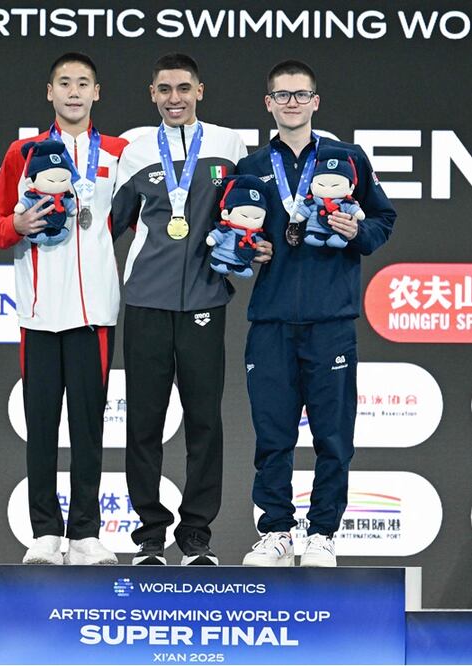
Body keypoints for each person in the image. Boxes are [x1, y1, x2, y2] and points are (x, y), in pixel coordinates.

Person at [235, 59, 395, 567]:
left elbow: (384, 218)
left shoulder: (348, 158)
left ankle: (323, 532)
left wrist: (359, 235)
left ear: (316, 101)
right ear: (269, 103)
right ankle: (277, 531)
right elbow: (238, 236)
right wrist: (248, 252)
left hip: (331, 320)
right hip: (271, 321)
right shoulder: (253, 165)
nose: (291, 103)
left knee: (332, 436)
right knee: (272, 436)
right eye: (281, 95)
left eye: (300, 95)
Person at [110, 53, 263, 566]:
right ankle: (150, 535)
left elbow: (246, 216)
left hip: (205, 299)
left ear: (200, 89)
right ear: (152, 94)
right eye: (163, 89)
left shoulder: (228, 144)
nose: (173, 98)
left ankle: (196, 534)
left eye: (183, 88)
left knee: (205, 421)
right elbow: (111, 223)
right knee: (144, 422)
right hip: (146, 301)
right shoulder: (132, 147)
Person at [0, 52, 127, 566]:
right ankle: (45, 533)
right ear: (49, 92)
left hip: (95, 315)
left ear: (97, 92)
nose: (73, 91)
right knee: (41, 426)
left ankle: (86, 532)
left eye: (82, 83)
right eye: (63, 83)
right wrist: (17, 227)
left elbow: (136, 220)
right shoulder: (23, 152)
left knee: (89, 427)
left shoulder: (119, 152)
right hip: (40, 314)